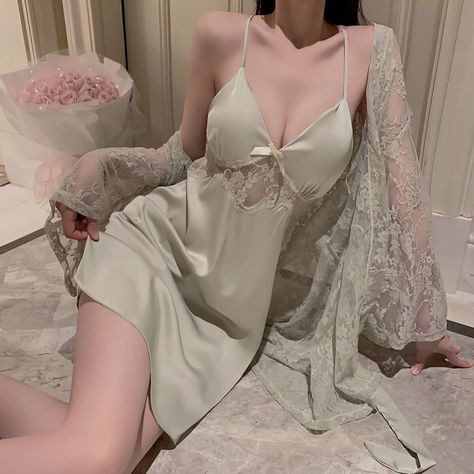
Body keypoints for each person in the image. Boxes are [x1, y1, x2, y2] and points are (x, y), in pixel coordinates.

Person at [1, 3, 472, 473]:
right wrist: (99, 166)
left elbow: (404, 190)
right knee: (99, 458)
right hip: (150, 252)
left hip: (226, 320)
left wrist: (426, 322)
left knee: (104, 451)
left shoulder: (371, 50)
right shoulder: (221, 33)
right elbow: (181, 154)